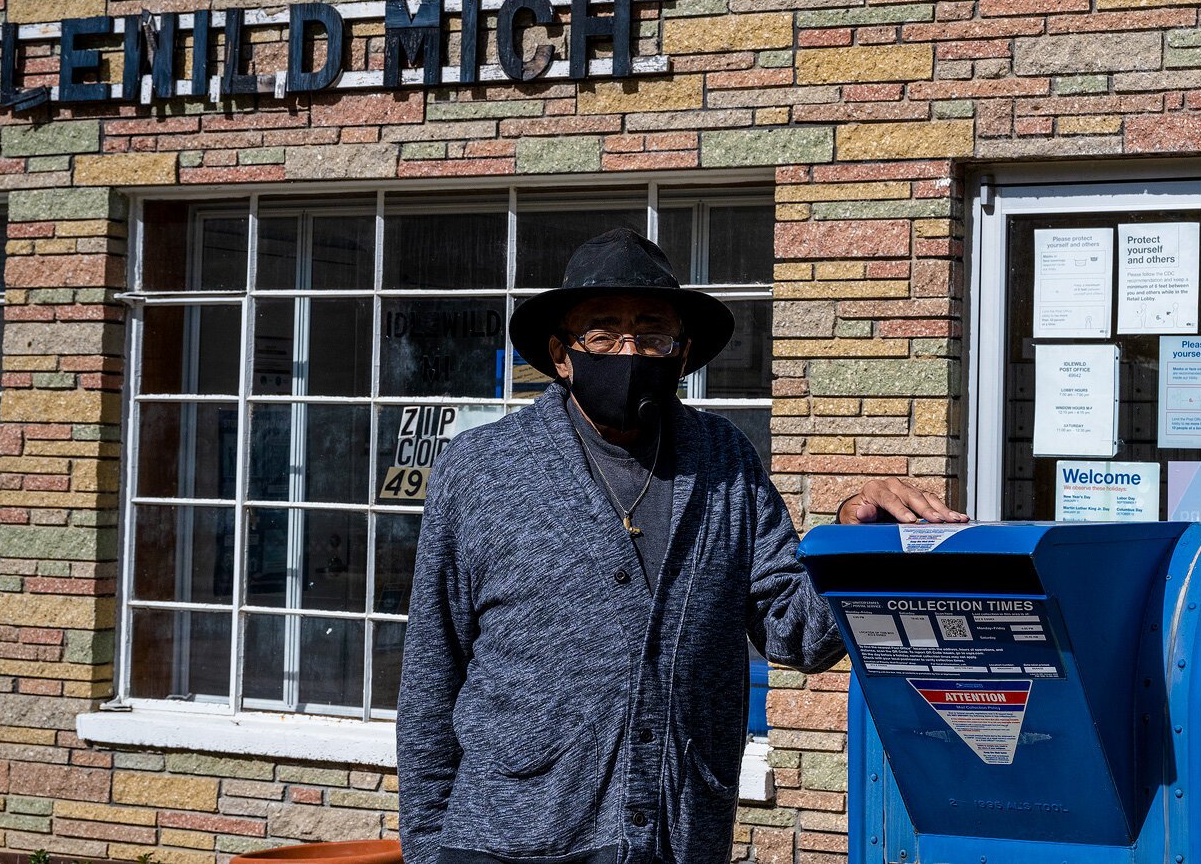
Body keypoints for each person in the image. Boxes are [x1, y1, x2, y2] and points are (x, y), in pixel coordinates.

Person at [396, 228, 959, 864]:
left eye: (653, 333)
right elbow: (430, 674)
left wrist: (858, 546)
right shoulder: (482, 469)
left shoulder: (725, 463)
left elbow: (795, 631)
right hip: (507, 837)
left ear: (682, 351)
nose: (630, 351)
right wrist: (424, 846)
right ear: (560, 355)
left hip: (677, 833)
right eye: (603, 334)